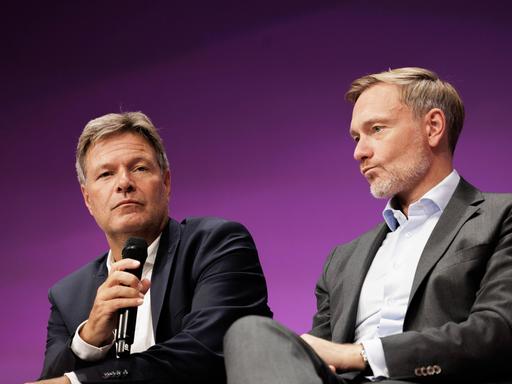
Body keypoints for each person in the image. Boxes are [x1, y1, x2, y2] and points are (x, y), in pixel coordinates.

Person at [224, 67, 512, 383]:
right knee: (250, 334)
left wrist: (359, 354)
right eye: (356, 137)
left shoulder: (501, 217)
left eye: (376, 129)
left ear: (433, 127)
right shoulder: (342, 260)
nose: (359, 152)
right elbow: (319, 355)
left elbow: (498, 332)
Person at [33, 112, 272, 384]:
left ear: (166, 183)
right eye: (106, 174)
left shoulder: (216, 246)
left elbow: (207, 353)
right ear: (88, 199)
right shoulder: (68, 296)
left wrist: (79, 382)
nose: (124, 183)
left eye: (139, 168)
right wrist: (89, 339)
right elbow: (49, 381)